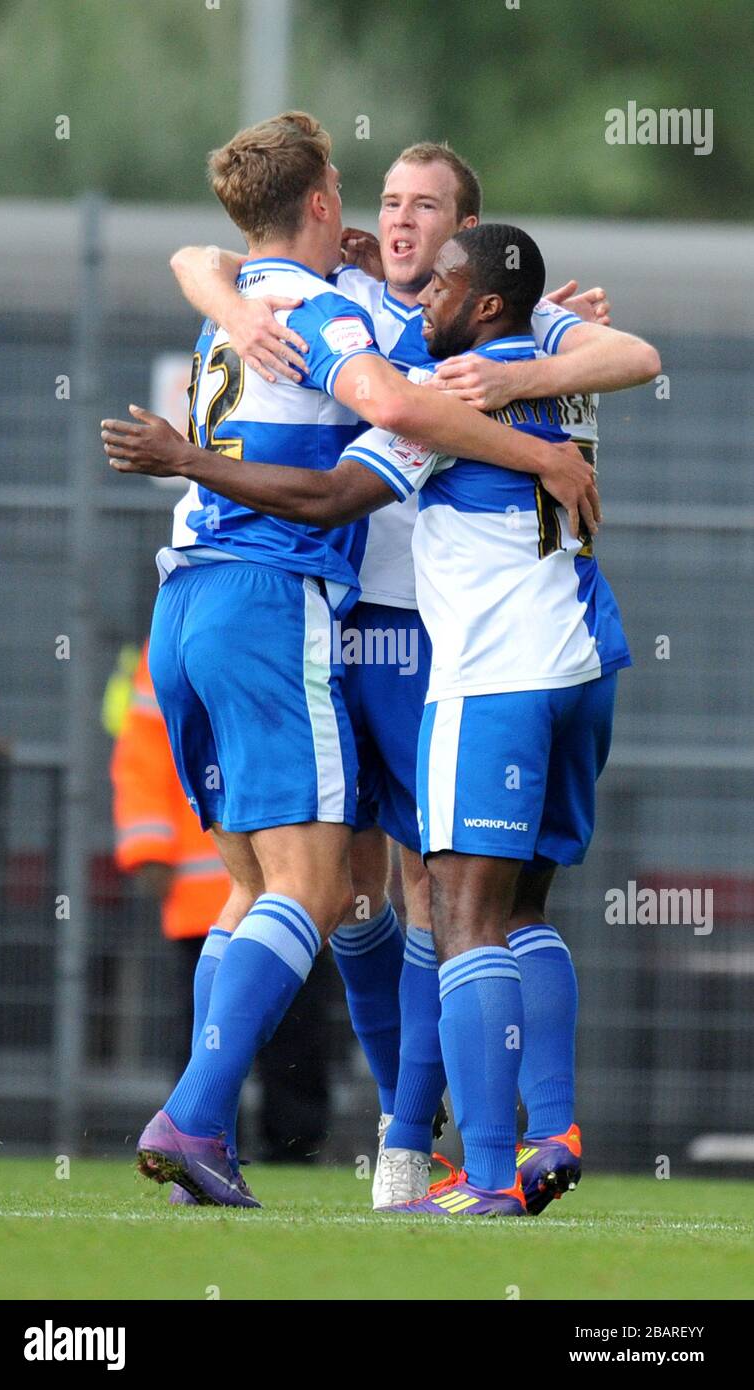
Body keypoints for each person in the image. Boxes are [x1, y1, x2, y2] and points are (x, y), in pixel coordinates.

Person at [103, 221, 649, 1216]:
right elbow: (635, 354)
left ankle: (482, 1177)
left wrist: (190, 459)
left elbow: (327, 493)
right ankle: (548, 1126)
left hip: (489, 675)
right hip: (585, 652)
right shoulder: (560, 359)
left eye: (438, 279)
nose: (419, 290)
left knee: (455, 911)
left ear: (483, 303)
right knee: (517, 906)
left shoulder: (438, 396)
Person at [109, 640, 333, 1183]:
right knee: (232, 1026)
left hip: (231, 887)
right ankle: (210, 1134)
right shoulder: (293, 619)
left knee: (280, 1035)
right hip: (252, 887)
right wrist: (150, 848)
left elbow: (143, 752)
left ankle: (274, 1145)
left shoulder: (176, 627)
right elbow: (143, 752)